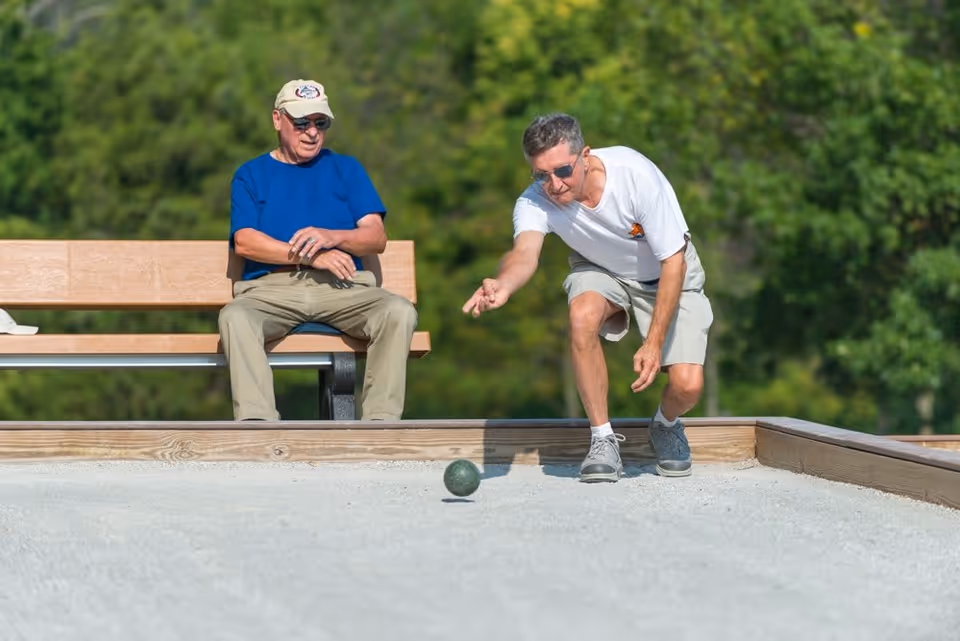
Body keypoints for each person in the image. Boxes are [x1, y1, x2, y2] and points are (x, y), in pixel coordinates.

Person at [463, 113, 713, 482]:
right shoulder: (535, 202)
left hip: (668, 273)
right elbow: (524, 253)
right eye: (540, 175)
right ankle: (602, 439)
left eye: (562, 170)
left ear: (585, 155)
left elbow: (672, 262)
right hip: (600, 269)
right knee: (582, 316)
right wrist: (504, 284)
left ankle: (665, 424)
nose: (554, 185)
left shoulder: (634, 176)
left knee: (688, 386)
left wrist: (654, 343)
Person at [220, 79, 418, 421]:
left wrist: (332, 236)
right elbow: (245, 242)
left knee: (398, 311)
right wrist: (312, 255)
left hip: (343, 288)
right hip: (272, 292)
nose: (311, 132)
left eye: (320, 123)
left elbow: (375, 237)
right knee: (235, 317)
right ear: (277, 120)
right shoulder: (251, 175)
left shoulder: (346, 169)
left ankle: (381, 425)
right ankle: (257, 425)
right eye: (301, 123)